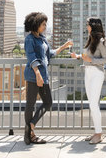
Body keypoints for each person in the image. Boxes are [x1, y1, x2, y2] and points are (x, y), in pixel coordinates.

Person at [23, 12, 73, 145]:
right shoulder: (29, 39)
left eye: (45, 24)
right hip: (34, 76)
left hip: (43, 76)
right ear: (36, 24)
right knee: (30, 104)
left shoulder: (42, 39)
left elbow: (49, 54)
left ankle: (31, 126)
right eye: (43, 24)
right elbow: (31, 57)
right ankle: (29, 135)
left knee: (48, 102)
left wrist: (64, 46)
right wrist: (38, 74)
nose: (45, 26)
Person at [71, 17, 106, 144]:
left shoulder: (101, 41)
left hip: (97, 74)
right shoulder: (90, 39)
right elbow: (88, 57)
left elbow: (105, 59)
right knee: (92, 104)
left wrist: (90, 60)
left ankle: (99, 134)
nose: (86, 27)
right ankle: (96, 132)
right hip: (88, 73)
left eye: (87, 25)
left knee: (93, 104)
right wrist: (78, 57)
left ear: (93, 26)